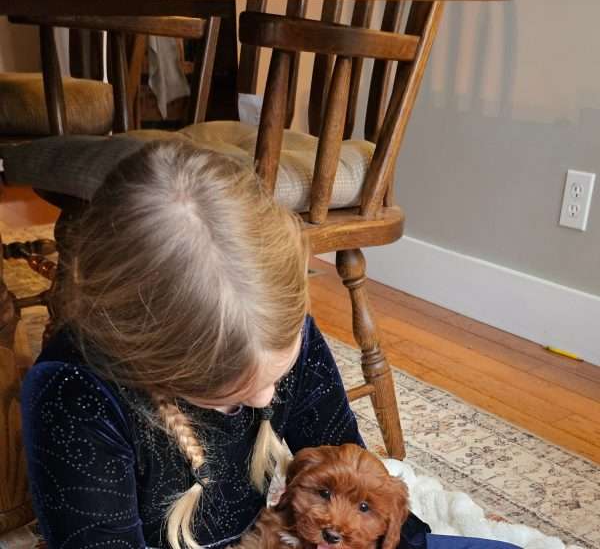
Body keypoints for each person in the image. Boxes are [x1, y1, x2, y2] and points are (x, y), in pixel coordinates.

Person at [11, 138, 519, 549]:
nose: (263, 401)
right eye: (229, 394)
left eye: (278, 374)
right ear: (151, 362)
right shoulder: (72, 393)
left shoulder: (284, 325)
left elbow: (346, 457)